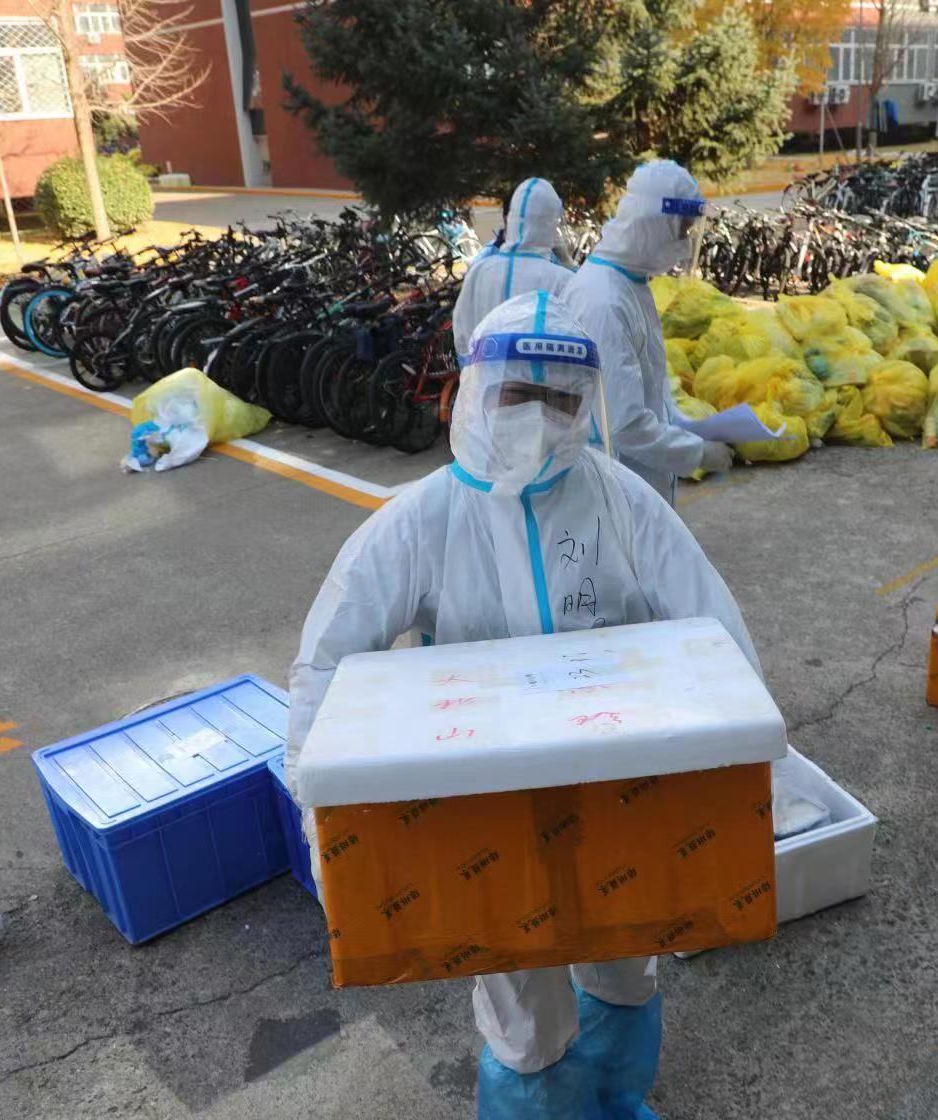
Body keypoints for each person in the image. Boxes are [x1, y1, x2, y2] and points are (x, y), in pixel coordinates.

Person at [286, 290, 761, 1119]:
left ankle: (616, 1098)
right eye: (518, 394)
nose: (540, 419)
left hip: (618, 783)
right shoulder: (422, 521)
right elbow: (327, 660)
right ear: (475, 391)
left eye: (562, 400)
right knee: (521, 997)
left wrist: (748, 767)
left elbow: (713, 624)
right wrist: (319, 811)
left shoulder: (620, 502)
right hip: (487, 803)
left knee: (625, 953)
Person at [562, 160, 734, 505]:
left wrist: (688, 427)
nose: (684, 244)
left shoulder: (629, 282)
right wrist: (697, 453)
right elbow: (625, 426)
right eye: (681, 231)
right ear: (653, 224)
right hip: (617, 488)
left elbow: (648, 386)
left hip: (641, 481)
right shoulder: (603, 300)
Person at [452, 178, 574, 359]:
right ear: (550, 224)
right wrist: (568, 263)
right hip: (538, 377)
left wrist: (475, 368)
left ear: (512, 219)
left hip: (481, 375)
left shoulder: (480, 271)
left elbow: (462, 336)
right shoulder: (561, 279)